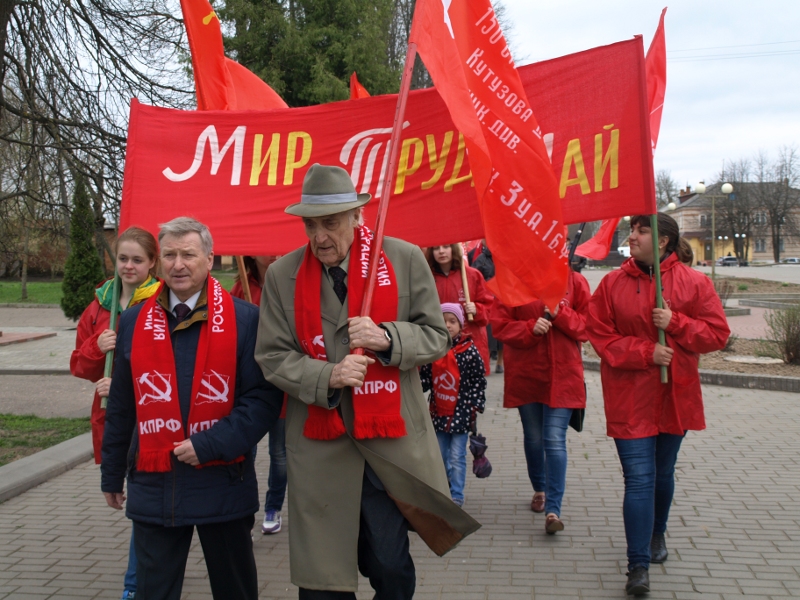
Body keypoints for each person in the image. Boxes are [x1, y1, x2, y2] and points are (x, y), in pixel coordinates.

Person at [255, 164, 480, 599]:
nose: (320, 236)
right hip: (320, 451)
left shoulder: (404, 258)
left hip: (388, 449)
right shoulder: (282, 276)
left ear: (357, 217)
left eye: (331, 223)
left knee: (391, 569)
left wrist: (386, 338)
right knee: (322, 583)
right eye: (311, 225)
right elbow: (271, 354)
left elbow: (436, 335)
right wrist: (328, 374)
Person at [101, 217, 284, 600]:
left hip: (222, 483)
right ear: (158, 261)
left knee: (235, 590)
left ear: (210, 259)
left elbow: (262, 401)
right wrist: (112, 471)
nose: (178, 264)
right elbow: (122, 404)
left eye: (188, 254)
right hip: (155, 485)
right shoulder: (134, 320)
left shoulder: (245, 319)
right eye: (169, 254)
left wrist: (210, 444)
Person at [586, 213, 729, 596]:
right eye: (632, 230)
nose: (631, 236)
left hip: (674, 397)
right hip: (629, 398)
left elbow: (717, 334)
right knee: (639, 478)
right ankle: (638, 565)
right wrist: (647, 352)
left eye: (641, 230)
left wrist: (677, 322)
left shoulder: (694, 283)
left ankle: (657, 533)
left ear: (663, 241)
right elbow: (599, 335)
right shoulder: (613, 283)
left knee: (662, 475)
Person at [70, 225, 161, 600]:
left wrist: (125, 384)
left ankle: (135, 584)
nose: (128, 266)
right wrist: (97, 345)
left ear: (152, 263)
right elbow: (80, 365)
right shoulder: (99, 305)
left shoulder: (160, 301)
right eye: (122, 258)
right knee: (137, 499)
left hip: (150, 416)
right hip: (112, 419)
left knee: (141, 502)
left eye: (137, 260)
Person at [491, 269, 590, 534]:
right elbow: (499, 325)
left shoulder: (575, 281)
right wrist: (528, 327)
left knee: (553, 439)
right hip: (527, 375)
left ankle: (553, 509)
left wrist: (561, 313)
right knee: (534, 437)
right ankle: (540, 488)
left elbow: (588, 326)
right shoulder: (512, 281)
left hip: (563, 375)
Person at [231, 255, 287, 535]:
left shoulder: (289, 281)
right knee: (244, 451)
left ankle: (273, 506)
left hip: (281, 384)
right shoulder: (241, 284)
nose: (272, 253)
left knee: (279, 454)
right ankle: (243, 511)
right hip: (249, 384)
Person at [420, 303, 486, 507]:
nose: (447, 325)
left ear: (461, 323)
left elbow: (478, 379)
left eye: (452, 321)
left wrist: (476, 404)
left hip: (462, 412)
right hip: (438, 412)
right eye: (443, 320)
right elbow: (425, 378)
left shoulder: (469, 350)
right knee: (440, 455)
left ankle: (457, 494)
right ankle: (445, 486)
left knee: (457, 456)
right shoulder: (433, 350)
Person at [426, 244, 494, 375]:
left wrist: (477, 309)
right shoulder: (426, 278)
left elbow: (489, 309)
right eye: (436, 248)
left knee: (470, 392)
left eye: (446, 247)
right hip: (439, 345)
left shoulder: (473, 275)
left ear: (453, 249)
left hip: (469, 345)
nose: (441, 251)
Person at [471, 243, 504, 373]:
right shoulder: (480, 259)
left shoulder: (503, 257)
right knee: (489, 333)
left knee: (502, 332)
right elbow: (475, 280)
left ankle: (500, 362)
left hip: (502, 299)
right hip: (489, 300)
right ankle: (487, 359)